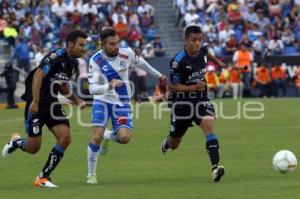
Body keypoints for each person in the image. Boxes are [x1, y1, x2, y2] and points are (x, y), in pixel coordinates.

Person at [2, 30, 87, 188]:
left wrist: (76, 100)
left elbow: (61, 84)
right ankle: (16, 142)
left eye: (85, 45)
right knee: (34, 148)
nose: (84, 48)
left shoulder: (73, 64)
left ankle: (42, 178)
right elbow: (38, 75)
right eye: (81, 45)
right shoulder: (55, 56)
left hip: (52, 104)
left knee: (65, 138)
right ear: (70, 45)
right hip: (37, 103)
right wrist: (35, 100)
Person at [86, 27, 167, 184]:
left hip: (122, 101)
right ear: (102, 44)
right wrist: (108, 86)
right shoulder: (95, 61)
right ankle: (91, 175)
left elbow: (142, 64)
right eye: (111, 44)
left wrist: (159, 76)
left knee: (124, 138)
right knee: (96, 137)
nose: (116, 46)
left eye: (117, 42)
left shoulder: (126, 53)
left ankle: (108, 135)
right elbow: (92, 88)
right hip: (102, 100)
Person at [160, 25, 226, 183]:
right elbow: (173, 87)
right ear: (186, 40)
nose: (197, 43)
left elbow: (207, 54)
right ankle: (167, 141)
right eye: (193, 40)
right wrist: (193, 87)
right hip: (182, 104)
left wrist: (218, 62)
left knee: (208, 123)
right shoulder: (178, 61)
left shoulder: (202, 50)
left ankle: (215, 167)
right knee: (175, 143)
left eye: (199, 40)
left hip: (201, 98)